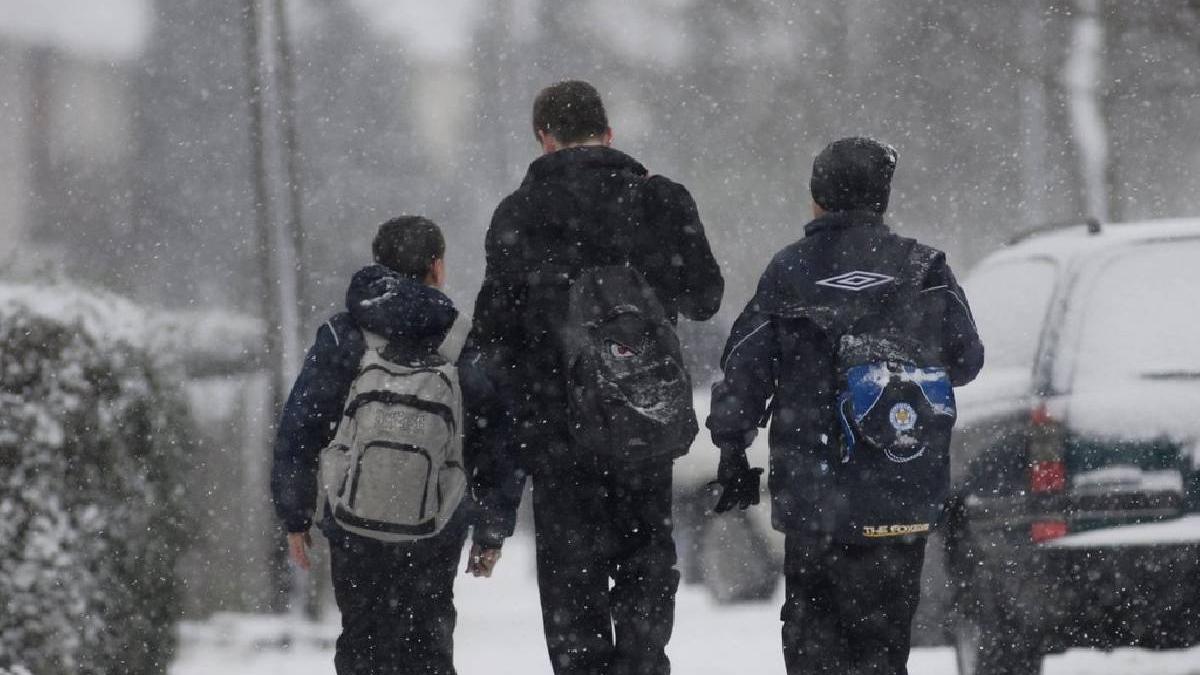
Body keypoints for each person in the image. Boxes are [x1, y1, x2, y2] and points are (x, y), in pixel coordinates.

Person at [461, 80, 724, 675]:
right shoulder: (660, 200)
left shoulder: (518, 215)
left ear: (543, 140)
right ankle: (642, 662)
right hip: (641, 423)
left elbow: (494, 337)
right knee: (645, 565)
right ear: (608, 134)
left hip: (557, 436)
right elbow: (706, 298)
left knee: (570, 584)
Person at [707, 137, 984, 675]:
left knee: (814, 642)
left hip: (815, 501)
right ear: (882, 198)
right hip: (898, 491)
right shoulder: (924, 269)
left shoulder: (788, 273)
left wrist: (731, 447)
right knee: (884, 645)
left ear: (817, 199)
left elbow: (745, 371)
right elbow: (968, 360)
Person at [271, 216, 483, 675]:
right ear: (437, 268)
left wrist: (295, 512)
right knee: (428, 638)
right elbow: (491, 437)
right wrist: (493, 524)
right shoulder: (459, 338)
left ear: (379, 265)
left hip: (354, 520)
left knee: (363, 637)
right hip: (434, 524)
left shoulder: (342, 334)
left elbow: (301, 425)